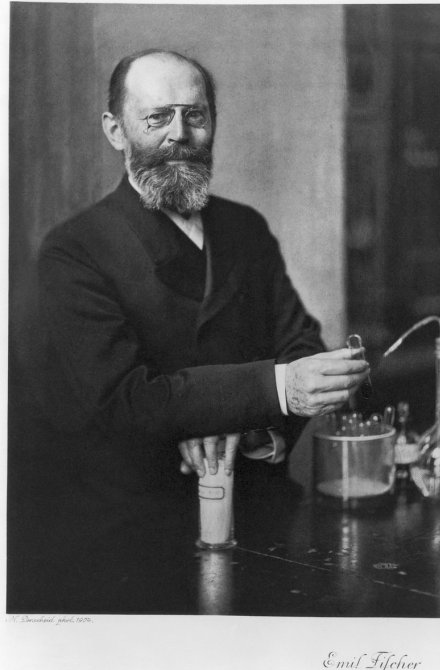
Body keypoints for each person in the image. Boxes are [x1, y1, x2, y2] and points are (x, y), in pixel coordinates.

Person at [9, 49, 369, 613]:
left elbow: (301, 343)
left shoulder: (245, 227)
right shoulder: (75, 251)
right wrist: (277, 389)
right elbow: (121, 400)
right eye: (157, 117)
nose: (180, 134)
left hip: (261, 517)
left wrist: (253, 432)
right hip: (134, 539)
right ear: (115, 130)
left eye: (195, 115)